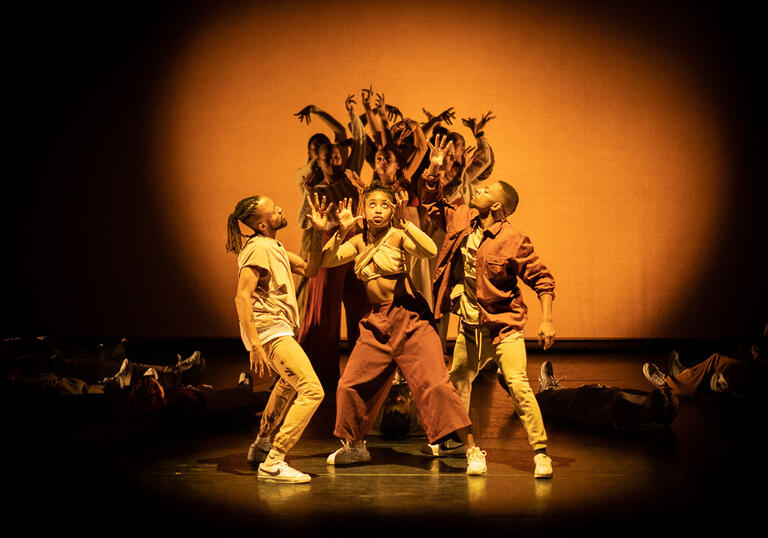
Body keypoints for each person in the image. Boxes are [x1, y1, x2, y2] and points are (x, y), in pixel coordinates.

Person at [319, 184, 488, 475]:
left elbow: (429, 249)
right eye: (372, 205)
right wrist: (340, 231)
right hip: (377, 323)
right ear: (363, 210)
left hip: (410, 319)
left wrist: (406, 224)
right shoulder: (359, 241)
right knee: (350, 384)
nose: (378, 210)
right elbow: (327, 260)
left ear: (392, 209)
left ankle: (472, 449)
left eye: (384, 205)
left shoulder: (398, 235)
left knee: (435, 384)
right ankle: (356, 446)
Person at [421, 136, 556, 479]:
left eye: (485, 191)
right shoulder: (463, 220)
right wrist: (434, 169)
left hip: (503, 327)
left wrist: (547, 321)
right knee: (456, 384)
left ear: (497, 207)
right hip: (468, 325)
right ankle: (470, 449)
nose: (476, 190)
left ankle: (540, 453)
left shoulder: (513, 240)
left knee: (517, 383)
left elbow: (542, 279)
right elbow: (432, 203)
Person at [227, 192, 330, 483]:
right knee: (312, 390)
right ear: (261, 224)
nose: (280, 209)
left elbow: (310, 269)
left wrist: (318, 232)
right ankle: (274, 460)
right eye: (273, 210)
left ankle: (261, 444)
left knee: (288, 383)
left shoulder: (272, 246)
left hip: (278, 328)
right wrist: (255, 344)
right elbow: (241, 297)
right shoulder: (258, 248)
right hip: (269, 331)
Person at [498, 361, 679, 432]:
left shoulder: (625, 418)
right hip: (587, 395)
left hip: (578, 404)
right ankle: (551, 390)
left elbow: (593, 418)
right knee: (556, 395)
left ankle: (519, 393)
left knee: (542, 402)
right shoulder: (642, 399)